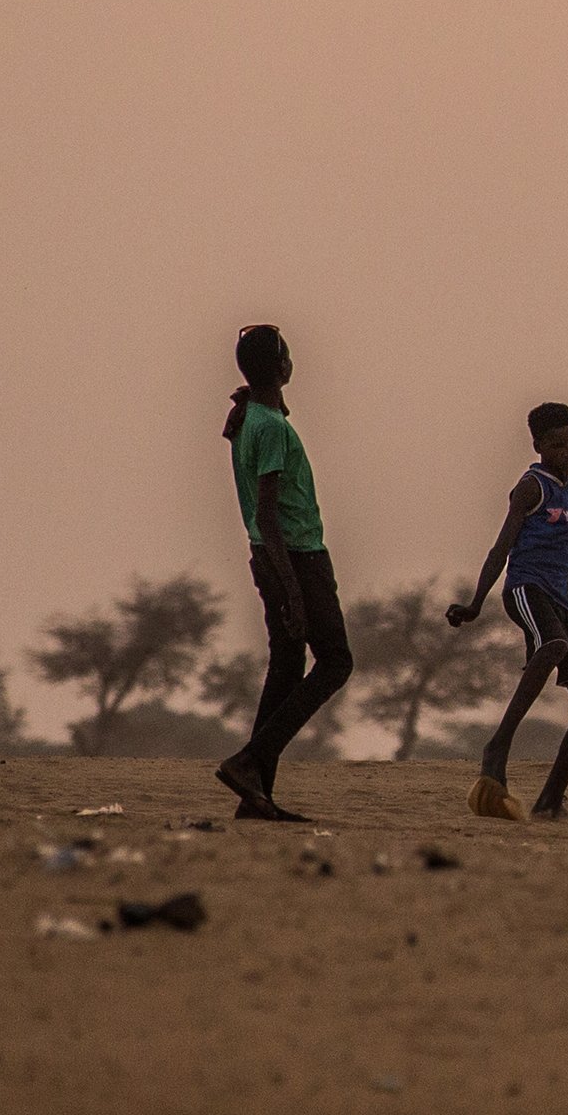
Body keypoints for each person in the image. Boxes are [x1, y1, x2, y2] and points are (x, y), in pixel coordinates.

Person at [447, 403, 568, 820]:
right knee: (552, 644)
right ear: (537, 446)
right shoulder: (532, 487)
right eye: (557, 445)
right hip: (525, 590)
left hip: (559, 602)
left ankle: (551, 800)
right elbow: (502, 547)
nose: (567, 452)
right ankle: (498, 745)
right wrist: (476, 603)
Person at [213, 324, 355, 822]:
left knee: (288, 664)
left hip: (269, 556)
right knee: (335, 662)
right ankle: (250, 762)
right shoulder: (270, 427)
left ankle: (256, 794)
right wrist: (294, 590)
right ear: (282, 368)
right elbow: (270, 514)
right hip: (296, 555)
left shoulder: (249, 416)